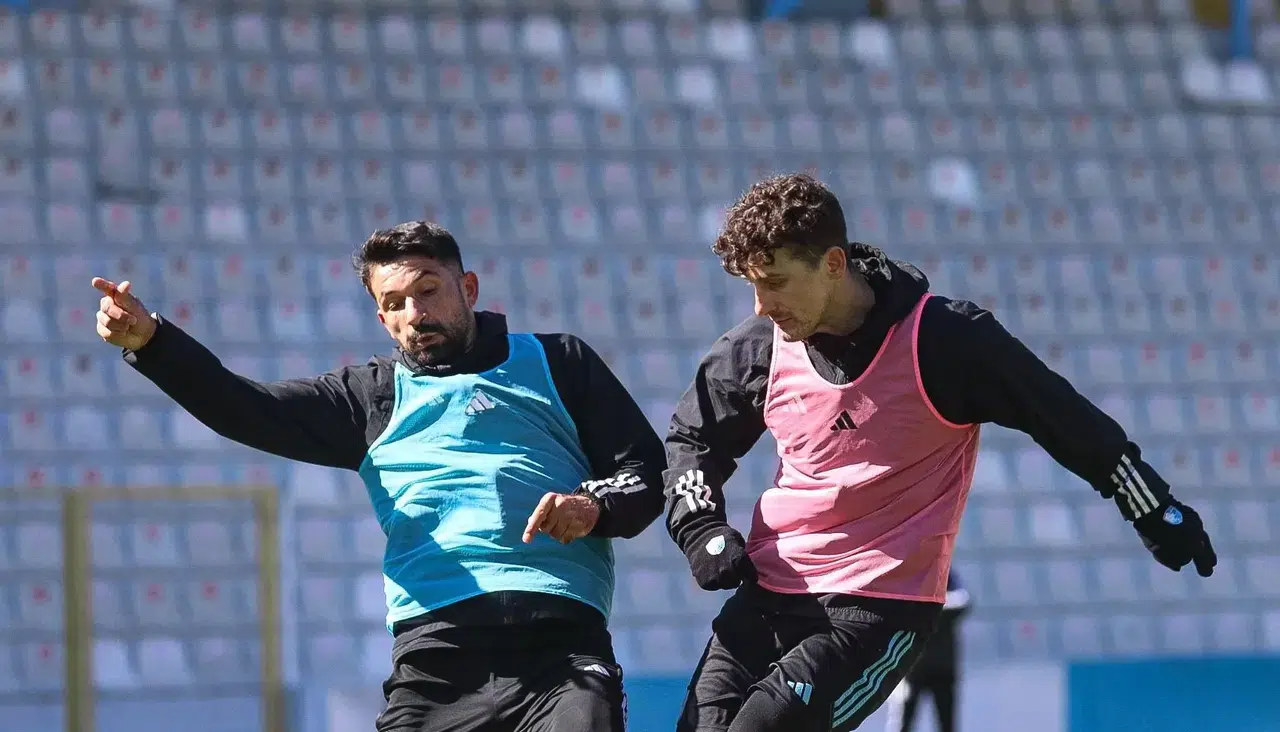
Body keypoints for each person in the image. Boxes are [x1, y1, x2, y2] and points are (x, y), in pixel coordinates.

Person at [664, 174, 1217, 732]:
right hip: (769, 589)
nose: (762, 306)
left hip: (876, 609)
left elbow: (1061, 417)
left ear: (832, 264)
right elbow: (692, 440)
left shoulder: (945, 340)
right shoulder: (758, 347)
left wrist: (1151, 506)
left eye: (776, 283)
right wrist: (700, 525)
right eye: (753, 286)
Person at [92, 221, 667, 732]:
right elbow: (245, 407)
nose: (415, 313)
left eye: (428, 290)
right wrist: (154, 343)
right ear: (382, 317)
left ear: (468, 289)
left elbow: (644, 470)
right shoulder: (369, 396)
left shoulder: (557, 362)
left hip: (561, 647)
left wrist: (592, 506)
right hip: (436, 659)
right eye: (395, 302)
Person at [884, 570, 970, 732]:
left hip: (942, 666)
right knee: (902, 723)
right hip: (910, 669)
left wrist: (927, 607)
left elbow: (963, 601)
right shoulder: (908, 571)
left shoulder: (945, 573)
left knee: (946, 724)